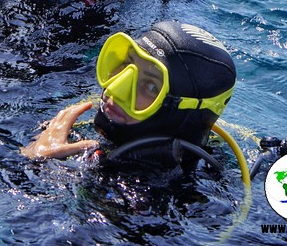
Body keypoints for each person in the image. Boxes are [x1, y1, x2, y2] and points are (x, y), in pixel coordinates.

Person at [21, 20, 236, 167]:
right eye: (126, 65)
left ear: (182, 112)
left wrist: (36, 160)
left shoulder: (146, 201)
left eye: (151, 86)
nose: (114, 89)